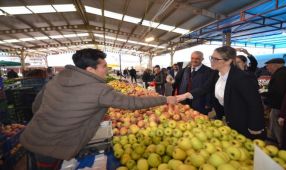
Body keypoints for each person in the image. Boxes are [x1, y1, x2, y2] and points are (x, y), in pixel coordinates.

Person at [20, 49, 177, 170]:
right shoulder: (99, 89)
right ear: (90, 70)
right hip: (54, 147)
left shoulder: (57, 79)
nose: (107, 70)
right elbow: (132, 102)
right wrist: (164, 99)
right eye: (104, 66)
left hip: (32, 137)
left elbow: (36, 106)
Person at [176, 46, 265, 139]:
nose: (212, 61)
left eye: (216, 59)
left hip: (244, 121)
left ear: (228, 61)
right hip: (229, 118)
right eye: (212, 57)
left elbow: (254, 103)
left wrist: (255, 126)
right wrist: (186, 95)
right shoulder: (216, 74)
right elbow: (205, 88)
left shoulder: (242, 78)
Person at [264, 58, 286, 146]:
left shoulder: (280, 74)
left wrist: (265, 95)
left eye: (268, 66)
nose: (267, 68)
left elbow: (278, 92)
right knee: (274, 127)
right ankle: (273, 143)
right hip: (285, 107)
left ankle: (281, 146)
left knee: (278, 128)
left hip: (279, 107)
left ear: (275, 65)